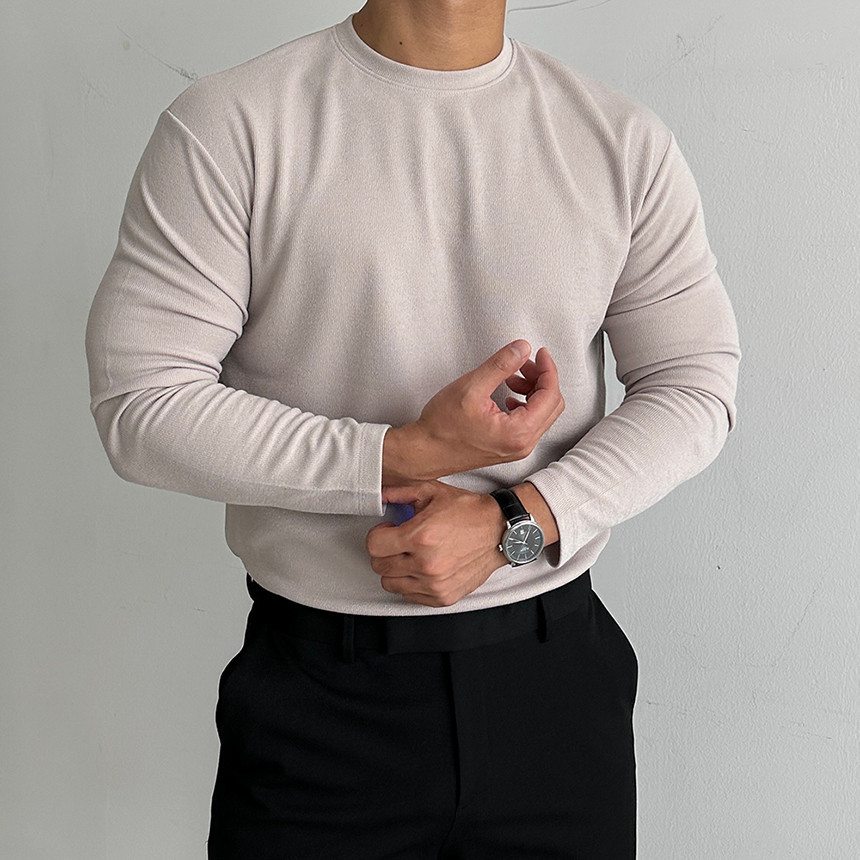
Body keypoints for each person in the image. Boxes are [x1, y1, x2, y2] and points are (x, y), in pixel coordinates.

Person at [84, 0, 741, 856]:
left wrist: (519, 521)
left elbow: (694, 384)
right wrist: (405, 454)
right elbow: (142, 403)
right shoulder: (231, 125)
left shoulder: (620, 140)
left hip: (553, 692)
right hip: (321, 696)